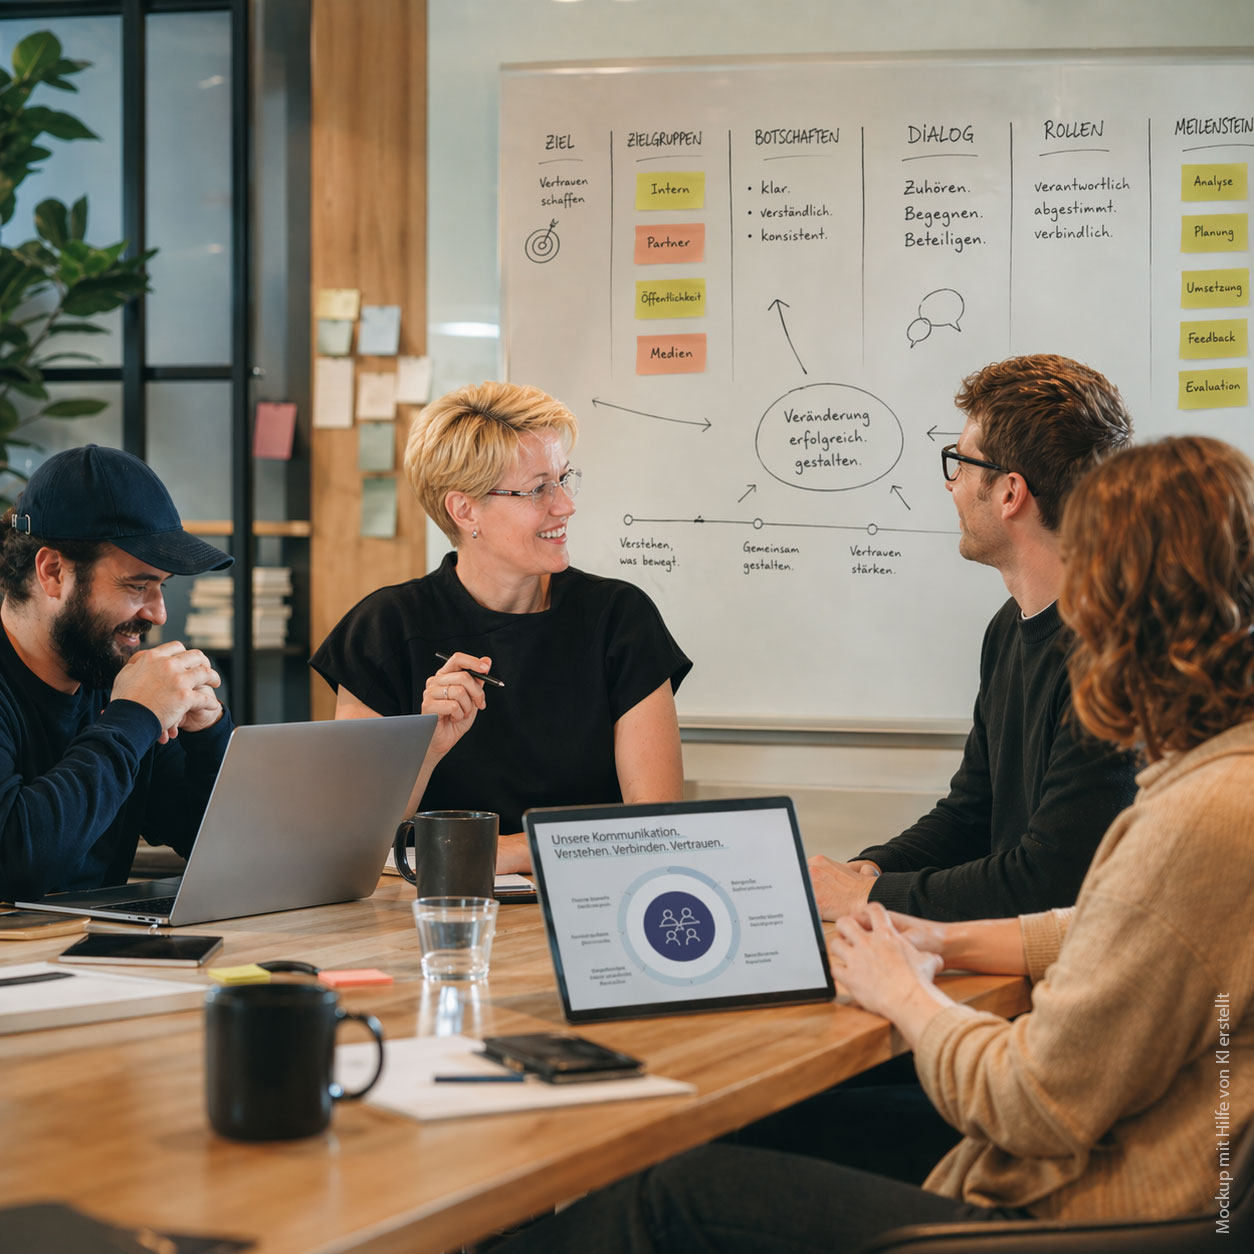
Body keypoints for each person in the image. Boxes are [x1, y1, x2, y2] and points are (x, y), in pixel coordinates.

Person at [498, 433, 1254, 1252]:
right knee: (746, 1129)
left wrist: (906, 995)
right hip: (1107, 1174)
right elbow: (1121, 925)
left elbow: (1030, 1103)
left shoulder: (1200, 818)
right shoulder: (1225, 783)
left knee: (666, 1196)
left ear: (1127, 612)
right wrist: (938, 938)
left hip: (1068, 1214)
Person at [810, 353, 1138, 922]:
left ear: (1010, 493)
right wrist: (871, 869)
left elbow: (1051, 879)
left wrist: (865, 900)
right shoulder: (1008, 627)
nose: (951, 483)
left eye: (960, 463)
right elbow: (971, 814)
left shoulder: (1116, 652)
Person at [311, 382, 691, 872]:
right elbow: (353, 835)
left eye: (564, 479)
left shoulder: (619, 618)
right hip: (431, 905)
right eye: (538, 489)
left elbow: (657, 825)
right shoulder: (382, 628)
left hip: (591, 897)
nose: (565, 505)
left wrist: (504, 850)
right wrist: (426, 748)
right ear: (464, 510)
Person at [0, 445, 234, 902]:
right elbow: (14, 865)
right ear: (53, 572)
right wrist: (133, 718)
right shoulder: (129, 703)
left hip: (100, 944)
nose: (159, 614)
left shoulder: (109, 677)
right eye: (137, 586)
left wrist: (209, 736)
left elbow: (227, 846)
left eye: (161, 586)